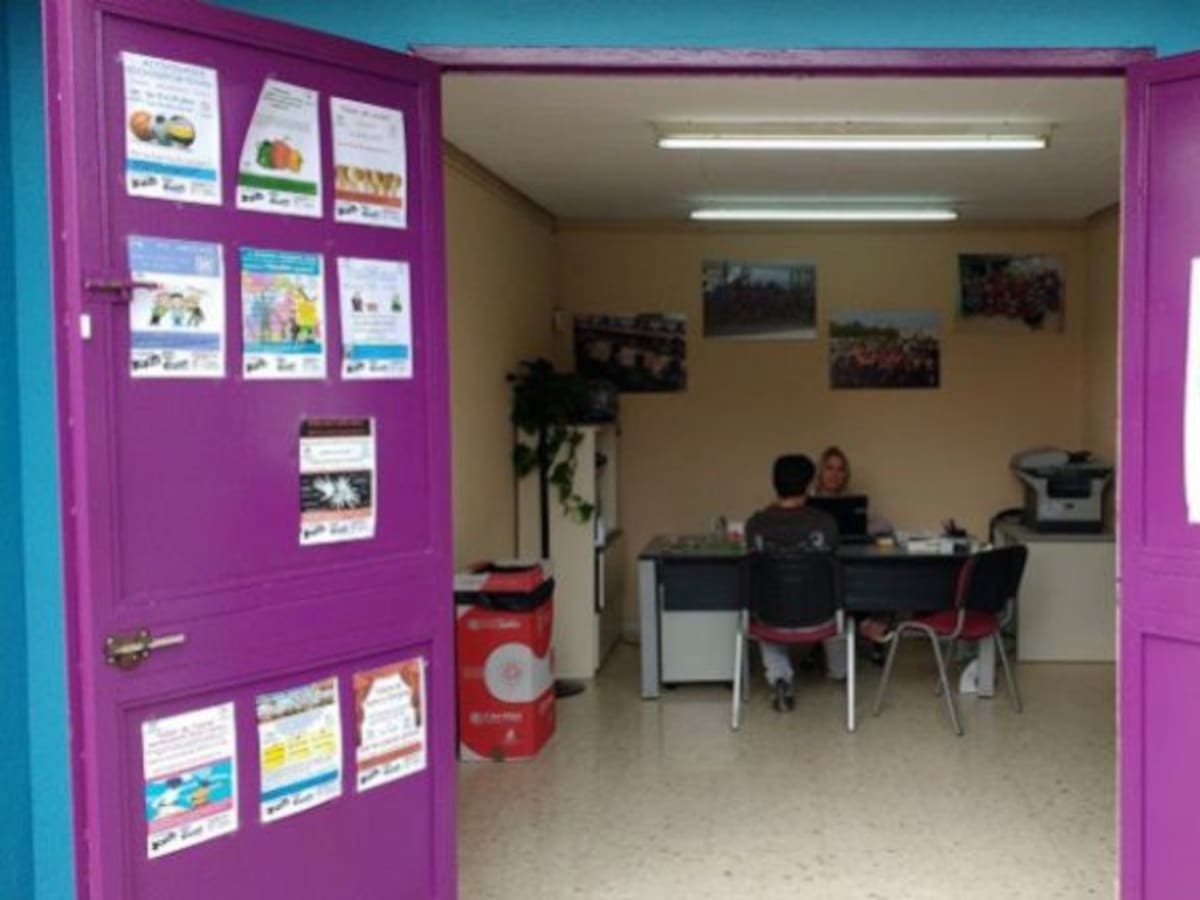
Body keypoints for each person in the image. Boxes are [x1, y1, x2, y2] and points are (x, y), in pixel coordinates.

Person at [745, 454, 846, 712]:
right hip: (820, 619)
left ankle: (780, 679)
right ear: (809, 485)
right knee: (841, 602)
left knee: (769, 605)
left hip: (771, 620)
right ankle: (840, 671)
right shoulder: (825, 523)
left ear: (774, 484)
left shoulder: (755, 524)